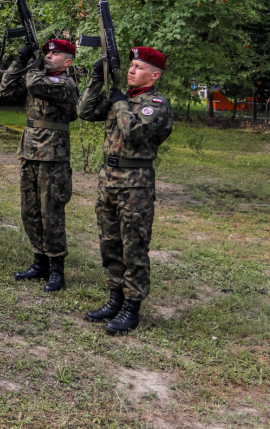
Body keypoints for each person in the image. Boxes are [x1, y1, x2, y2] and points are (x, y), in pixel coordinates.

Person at [79, 47, 174, 335]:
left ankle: (131, 307)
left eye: (139, 67)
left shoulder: (156, 103)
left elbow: (133, 132)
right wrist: (97, 81)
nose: (132, 70)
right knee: (109, 243)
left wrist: (119, 101)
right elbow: (84, 112)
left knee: (133, 246)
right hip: (108, 180)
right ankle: (114, 298)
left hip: (135, 184)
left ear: (155, 75)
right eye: (130, 66)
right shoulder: (122, 98)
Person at [0, 39, 79, 292]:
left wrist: (32, 67)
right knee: (29, 210)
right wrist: (19, 62)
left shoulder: (65, 83)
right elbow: (6, 87)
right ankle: (39, 261)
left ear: (67, 61)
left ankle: (56, 269)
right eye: (47, 53)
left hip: (53, 155)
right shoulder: (38, 76)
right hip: (30, 151)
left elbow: (34, 83)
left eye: (55, 54)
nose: (48, 56)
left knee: (51, 213)